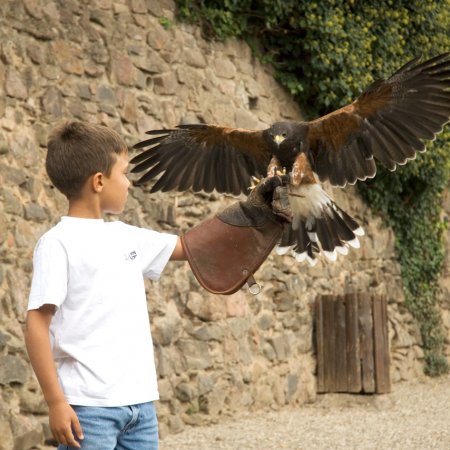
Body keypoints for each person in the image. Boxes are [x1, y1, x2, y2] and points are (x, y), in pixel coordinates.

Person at [24, 121, 289, 450]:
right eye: (124, 173)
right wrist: (55, 403)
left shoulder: (126, 236)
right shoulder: (57, 243)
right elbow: (36, 322)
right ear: (98, 182)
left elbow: (191, 246)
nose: (129, 182)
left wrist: (252, 211)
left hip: (140, 407)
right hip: (88, 409)